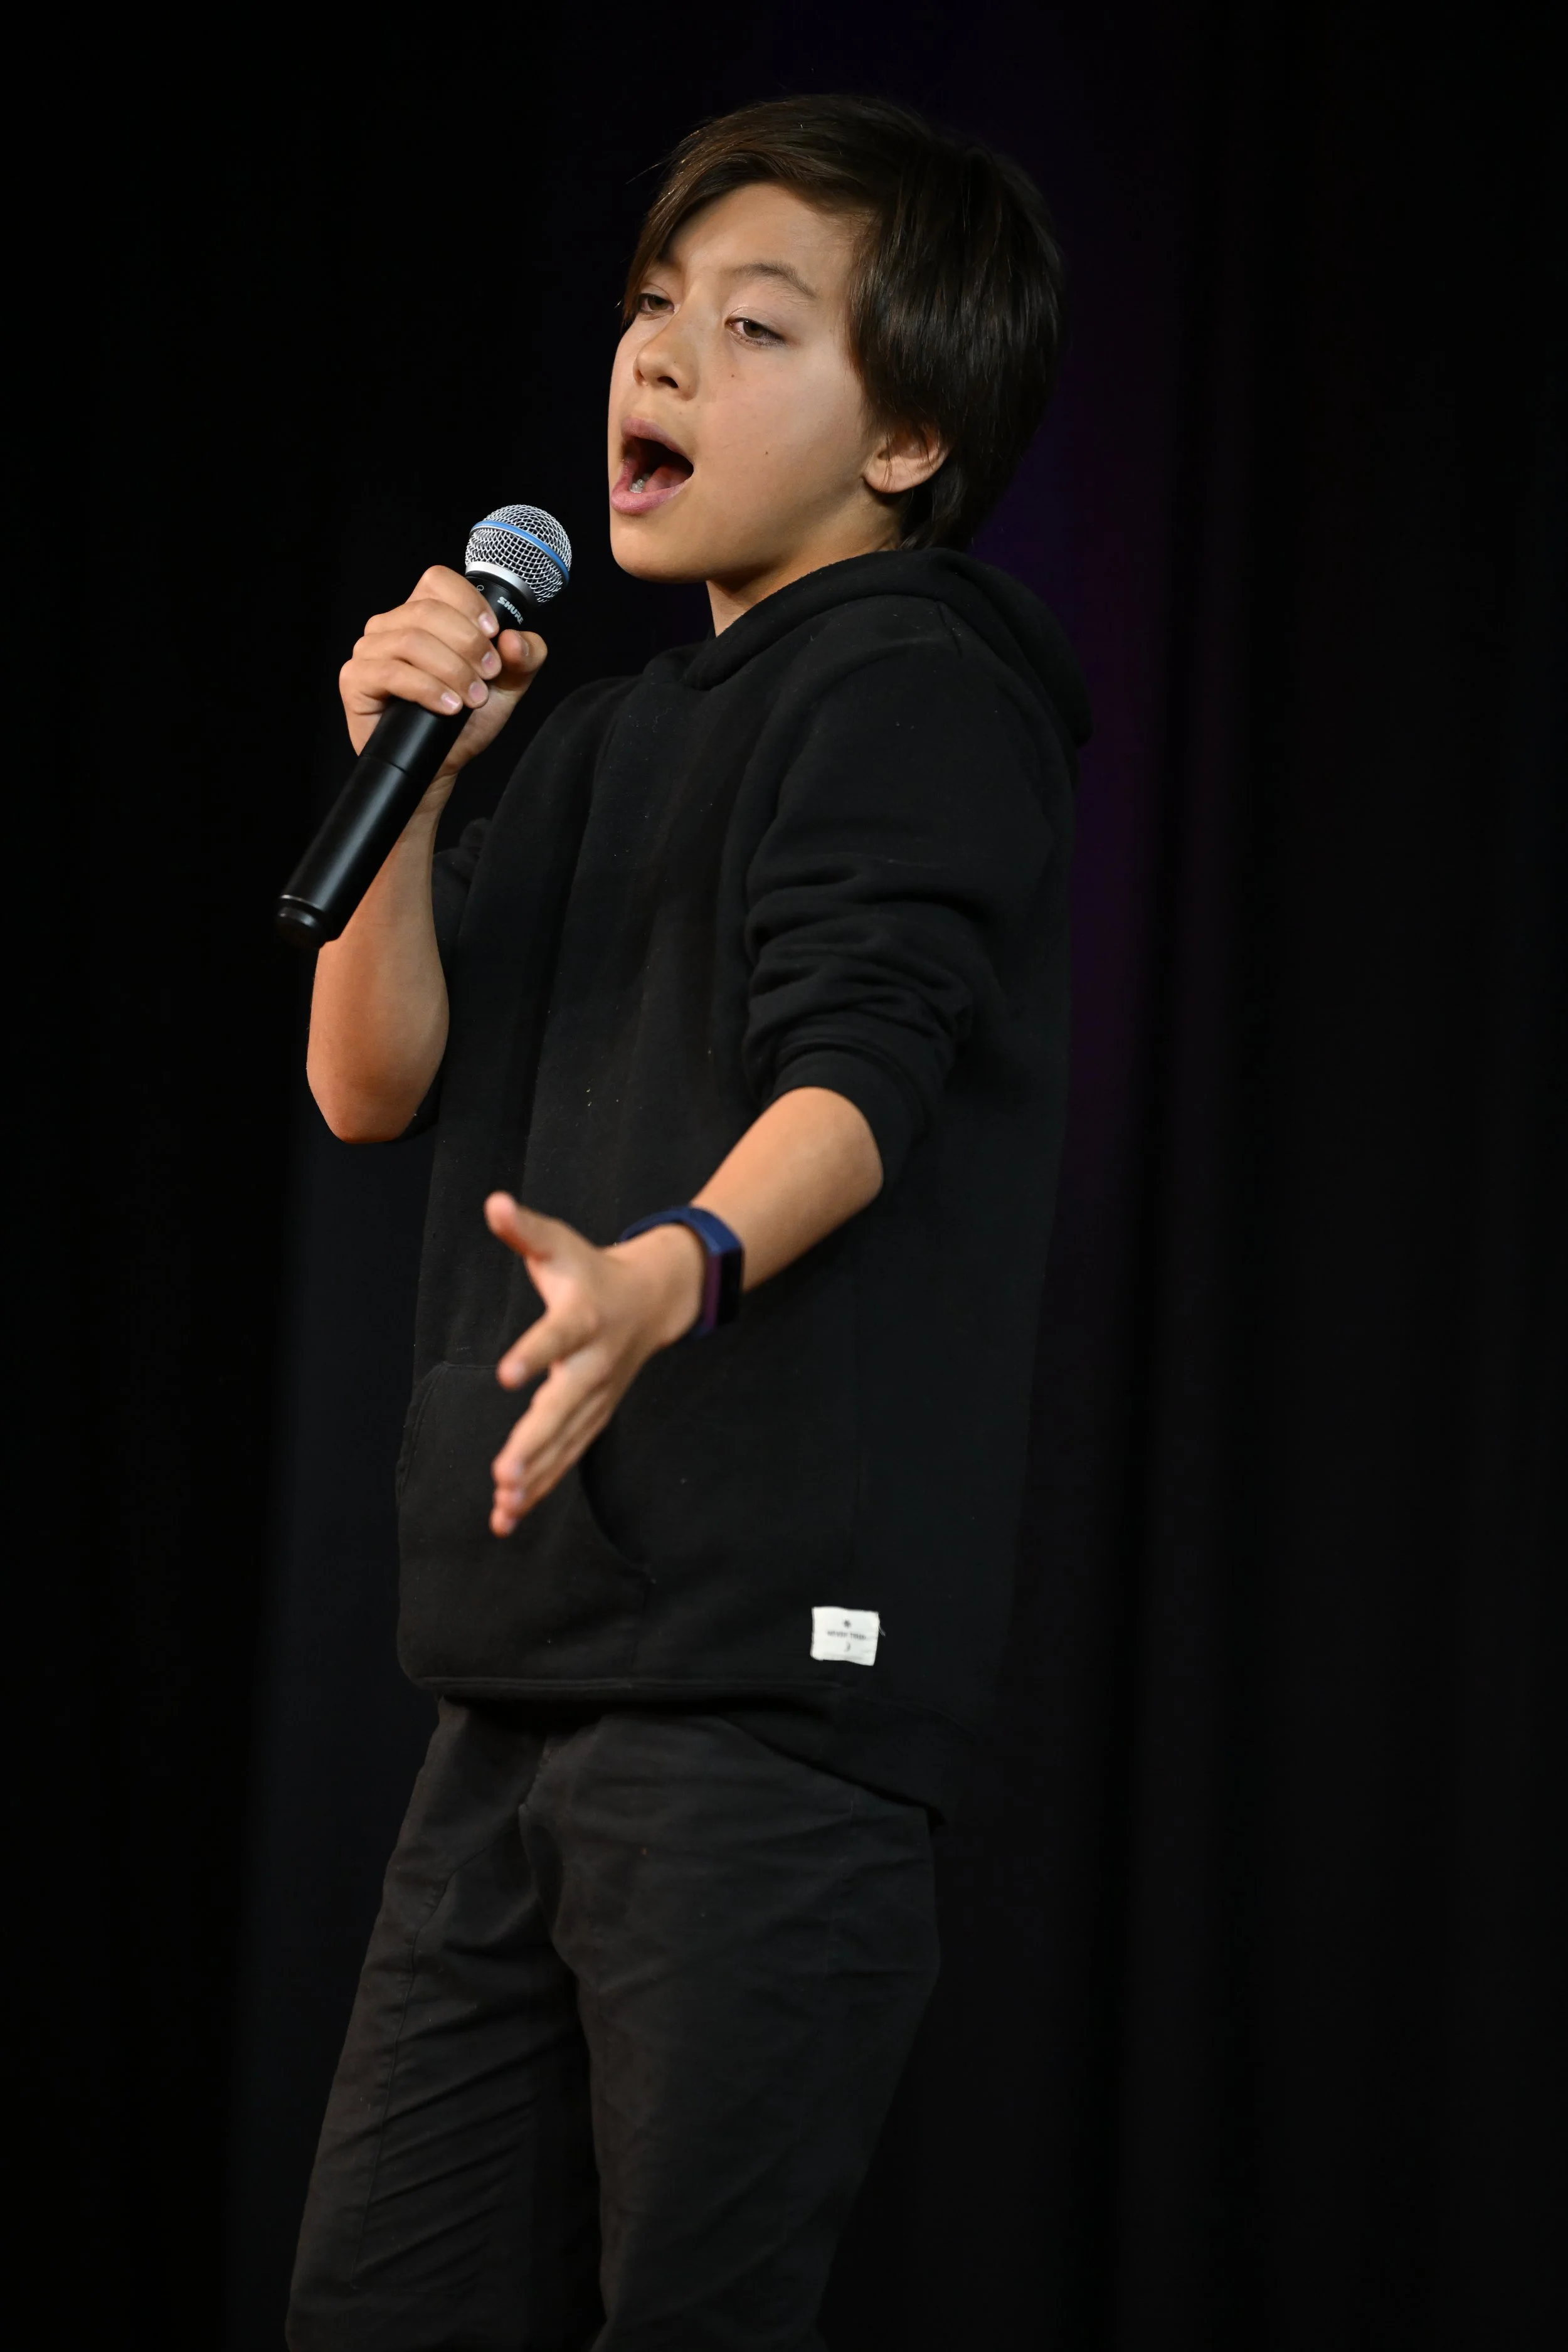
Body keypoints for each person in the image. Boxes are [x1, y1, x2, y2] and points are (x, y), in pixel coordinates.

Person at [287, 92, 1089, 2352]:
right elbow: (368, 1082)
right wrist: (425, 771)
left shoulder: (916, 673)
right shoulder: (597, 731)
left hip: (759, 1697)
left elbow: (865, 1062)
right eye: (653, 313)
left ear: (908, 433)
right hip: (519, 1676)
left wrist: (681, 1265)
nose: (662, 362)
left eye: (752, 328)